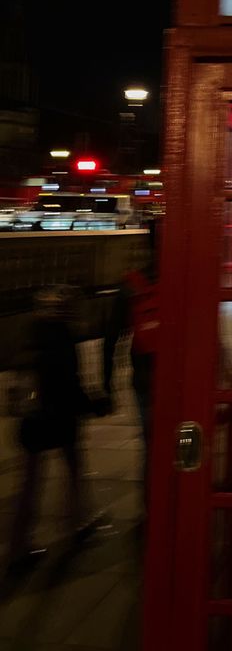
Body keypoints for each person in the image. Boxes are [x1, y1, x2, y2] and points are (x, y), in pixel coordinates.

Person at [5, 285, 108, 574]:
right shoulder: (62, 336)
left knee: (28, 485)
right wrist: (94, 403)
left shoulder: (30, 334)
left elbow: (18, 377)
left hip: (32, 419)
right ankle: (75, 523)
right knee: (74, 470)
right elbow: (68, 383)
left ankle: (17, 547)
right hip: (59, 417)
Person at [102, 218, 161, 507]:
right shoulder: (185, 279)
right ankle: (175, 502)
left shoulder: (131, 285)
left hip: (144, 377)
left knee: (150, 445)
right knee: (182, 443)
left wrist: (106, 383)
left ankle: (149, 509)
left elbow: (111, 336)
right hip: (178, 380)